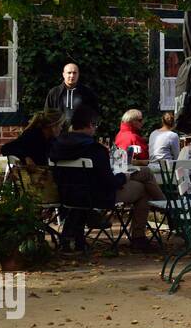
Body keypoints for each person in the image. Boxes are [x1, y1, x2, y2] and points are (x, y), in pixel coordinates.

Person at [49, 105, 164, 253]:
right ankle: (141, 235)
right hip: (96, 197)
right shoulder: (95, 149)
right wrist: (124, 177)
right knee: (142, 189)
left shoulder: (57, 145)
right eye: (95, 125)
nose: (95, 129)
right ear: (90, 124)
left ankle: (163, 210)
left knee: (144, 174)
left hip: (66, 195)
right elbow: (109, 183)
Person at [43, 62, 100, 128]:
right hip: (58, 133)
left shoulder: (87, 93)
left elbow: (94, 112)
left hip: (80, 132)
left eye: (74, 73)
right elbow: (47, 113)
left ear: (78, 74)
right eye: (69, 73)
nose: (72, 75)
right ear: (63, 74)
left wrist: (91, 126)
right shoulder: (54, 93)